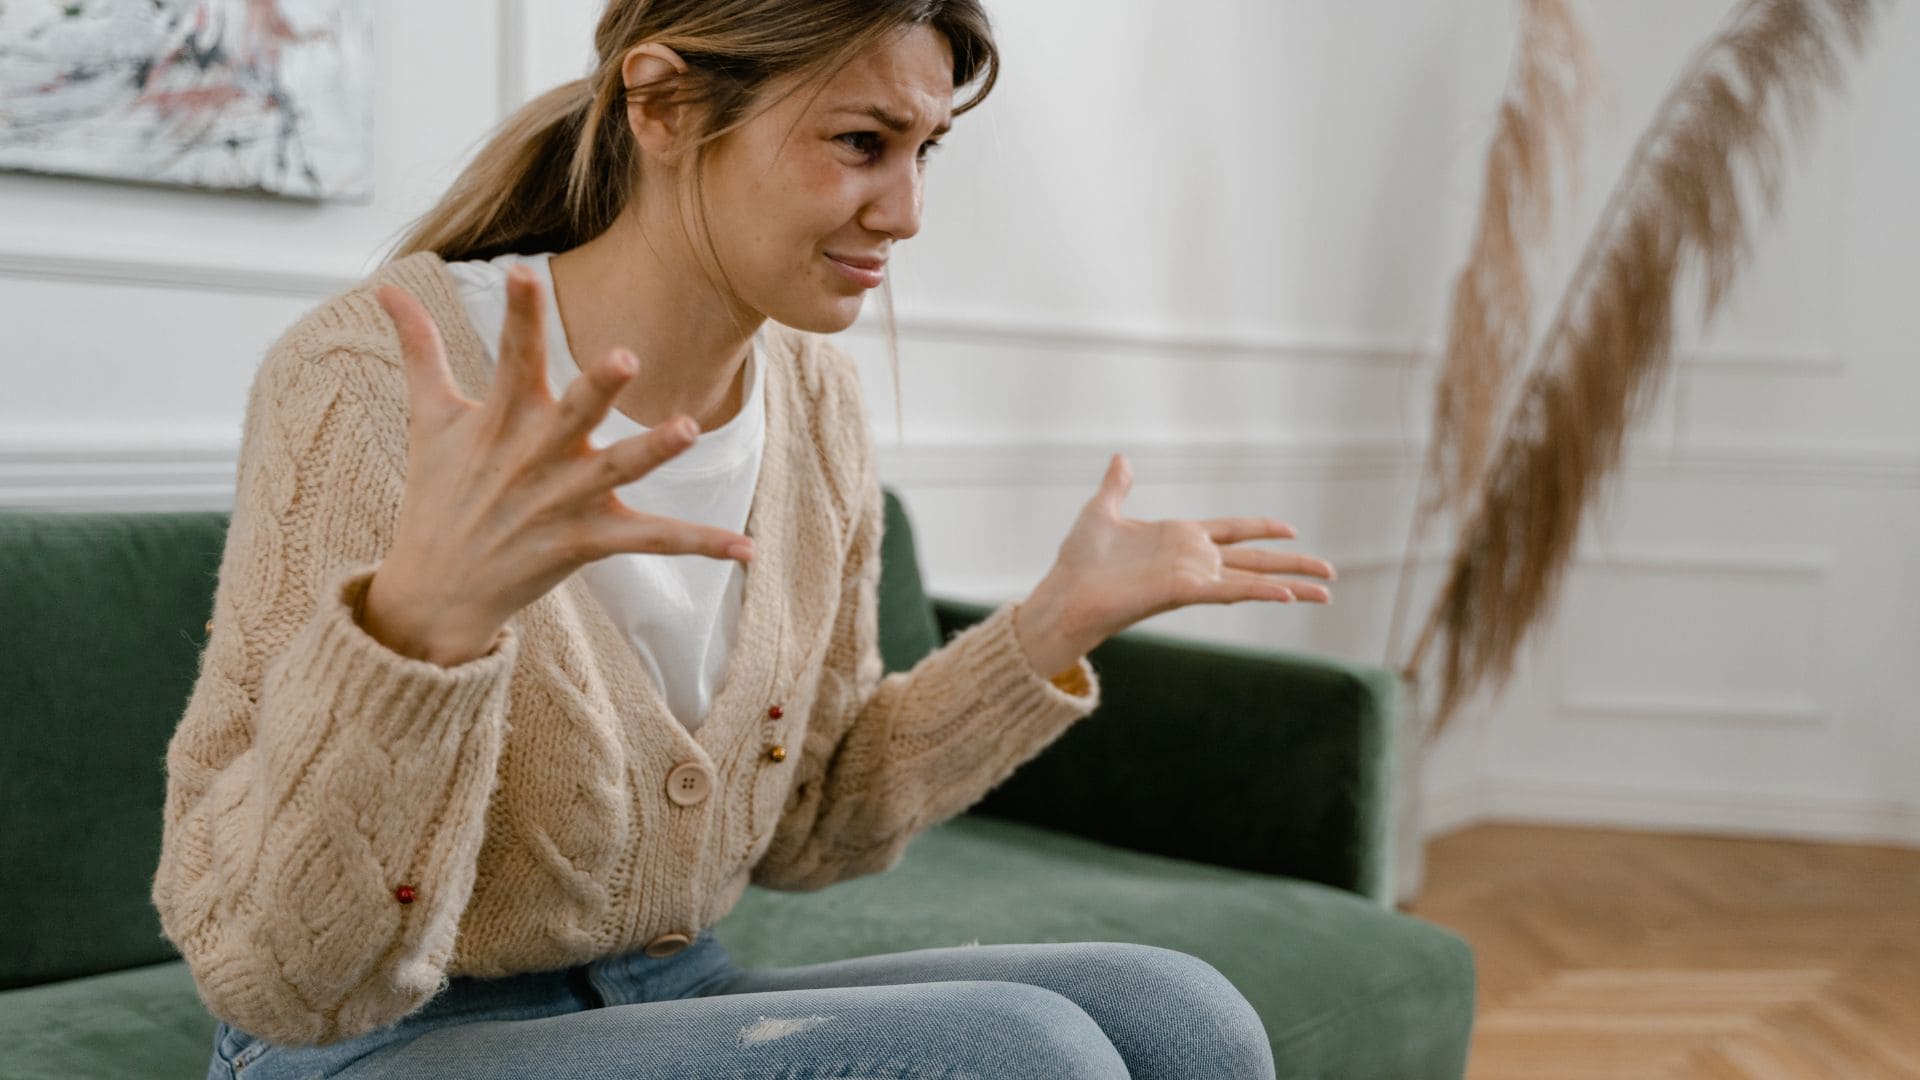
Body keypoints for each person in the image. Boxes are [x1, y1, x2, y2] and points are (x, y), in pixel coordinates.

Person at [152, 1, 1336, 1077]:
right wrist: (421, 630)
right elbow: (287, 982)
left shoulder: (813, 404)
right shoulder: (374, 383)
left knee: (1182, 1014)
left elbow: (812, 826)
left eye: (925, 151)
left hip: (666, 990)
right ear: (661, 104)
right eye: (861, 143)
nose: (908, 211)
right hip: (366, 1040)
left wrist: (1045, 632)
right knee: (1024, 1057)